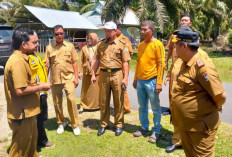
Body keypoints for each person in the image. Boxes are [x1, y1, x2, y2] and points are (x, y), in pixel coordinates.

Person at [170, 25, 226, 157]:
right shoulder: (185, 62)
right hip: (187, 125)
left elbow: (220, 95)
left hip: (200, 128)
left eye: (176, 44)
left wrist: (215, 106)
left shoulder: (202, 66)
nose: (174, 47)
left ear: (184, 46)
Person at [4, 28, 51, 157]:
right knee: (20, 149)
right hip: (22, 114)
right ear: (24, 44)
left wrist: (39, 84)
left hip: (29, 111)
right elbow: (20, 90)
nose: (37, 45)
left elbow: (27, 83)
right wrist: (41, 87)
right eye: (34, 42)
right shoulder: (18, 62)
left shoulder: (24, 58)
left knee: (30, 145)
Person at [91, 21, 130, 136]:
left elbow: (125, 63)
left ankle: (118, 124)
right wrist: (93, 74)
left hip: (117, 74)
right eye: (105, 30)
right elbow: (97, 60)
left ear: (114, 31)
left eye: (108, 30)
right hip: (103, 74)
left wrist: (125, 78)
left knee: (118, 100)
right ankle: (104, 123)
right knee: (103, 101)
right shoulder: (101, 44)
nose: (106, 32)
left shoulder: (122, 44)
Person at [132, 20, 165, 143]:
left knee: (155, 107)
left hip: (152, 81)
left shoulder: (158, 45)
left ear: (152, 31)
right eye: (141, 29)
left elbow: (161, 64)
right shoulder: (140, 45)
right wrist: (135, 78)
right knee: (142, 106)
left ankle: (156, 130)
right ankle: (144, 127)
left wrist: (159, 82)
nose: (142, 32)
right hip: (140, 81)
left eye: (145, 29)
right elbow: (138, 63)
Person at [164, 14, 192, 153]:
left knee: (186, 107)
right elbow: (171, 52)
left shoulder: (193, 36)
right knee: (175, 107)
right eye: (181, 20)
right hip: (175, 73)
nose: (183, 22)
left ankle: (188, 138)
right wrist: (168, 73)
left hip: (187, 75)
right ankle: (177, 140)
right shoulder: (174, 35)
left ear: (190, 23)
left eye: (186, 20)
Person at [45, 25, 80, 136]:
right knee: (57, 102)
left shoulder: (70, 46)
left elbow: (74, 62)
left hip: (68, 78)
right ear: (53, 35)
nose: (59, 35)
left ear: (64, 33)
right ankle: (61, 122)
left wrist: (76, 76)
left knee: (71, 100)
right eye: (57, 34)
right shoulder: (49, 48)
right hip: (55, 80)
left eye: (61, 33)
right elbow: (47, 65)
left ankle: (75, 124)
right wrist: (45, 81)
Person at [28, 33, 54, 148]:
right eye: (34, 42)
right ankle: (32, 147)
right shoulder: (25, 59)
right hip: (34, 94)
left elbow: (39, 73)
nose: (37, 44)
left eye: (37, 42)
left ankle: (42, 141)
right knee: (33, 121)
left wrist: (45, 65)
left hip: (42, 93)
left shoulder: (36, 56)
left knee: (42, 119)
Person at [79, 33, 100, 111]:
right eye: (88, 38)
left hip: (97, 72)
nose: (89, 40)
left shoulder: (99, 47)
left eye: (91, 38)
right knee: (85, 89)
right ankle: (83, 105)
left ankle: (97, 105)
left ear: (95, 39)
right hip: (86, 71)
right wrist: (79, 72)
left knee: (96, 89)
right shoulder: (84, 48)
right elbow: (81, 60)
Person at [116, 22, 133, 113]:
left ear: (119, 30)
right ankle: (119, 106)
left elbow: (130, 52)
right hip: (113, 68)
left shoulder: (125, 40)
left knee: (123, 87)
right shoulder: (111, 39)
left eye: (114, 30)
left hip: (122, 67)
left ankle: (126, 107)